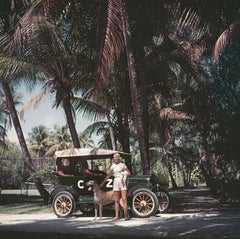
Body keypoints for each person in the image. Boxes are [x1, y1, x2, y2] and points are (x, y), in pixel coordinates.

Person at [99, 152, 131, 220]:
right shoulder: (112, 166)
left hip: (122, 182)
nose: (116, 158)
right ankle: (117, 216)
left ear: (119, 158)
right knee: (116, 200)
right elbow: (108, 175)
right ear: (113, 159)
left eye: (117, 157)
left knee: (124, 199)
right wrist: (102, 183)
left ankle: (126, 215)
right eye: (114, 157)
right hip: (116, 181)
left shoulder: (123, 165)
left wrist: (123, 174)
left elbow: (129, 173)